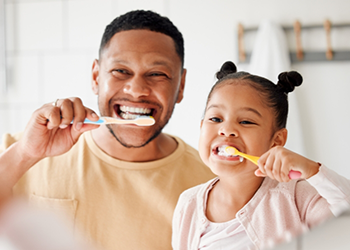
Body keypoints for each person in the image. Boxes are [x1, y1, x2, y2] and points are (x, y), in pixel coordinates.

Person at [0, 10, 215, 250]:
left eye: (157, 74)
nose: (136, 90)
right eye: (121, 71)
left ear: (181, 85)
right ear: (96, 76)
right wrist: (24, 155)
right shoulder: (19, 152)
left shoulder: (210, 184)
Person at [171, 61, 350, 250]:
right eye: (215, 118)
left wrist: (314, 171)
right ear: (201, 127)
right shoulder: (188, 204)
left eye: (246, 121)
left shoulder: (298, 197)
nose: (227, 130)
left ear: (277, 140)